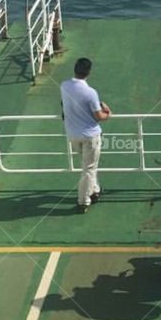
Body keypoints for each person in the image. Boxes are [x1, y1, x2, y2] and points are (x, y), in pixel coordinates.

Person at [59, 57, 111, 212]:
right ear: (89, 72)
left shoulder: (64, 86)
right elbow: (99, 116)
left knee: (89, 166)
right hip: (90, 136)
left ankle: (95, 190)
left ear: (75, 69)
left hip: (73, 134)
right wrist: (108, 112)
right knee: (88, 168)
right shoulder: (90, 93)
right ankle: (83, 200)